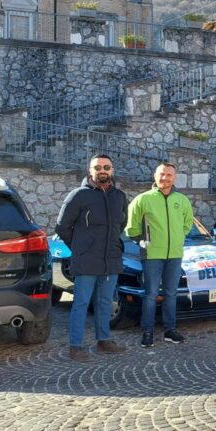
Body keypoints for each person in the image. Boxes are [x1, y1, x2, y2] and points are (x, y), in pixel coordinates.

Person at [56, 154, 128, 361]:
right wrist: (80, 247)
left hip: (111, 259)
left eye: (107, 167)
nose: (102, 170)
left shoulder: (119, 196)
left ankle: (103, 340)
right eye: (98, 167)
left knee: (105, 301)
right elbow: (62, 227)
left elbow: (120, 225)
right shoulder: (78, 195)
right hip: (86, 259)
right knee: (80, 303)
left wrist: (114, 244)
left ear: (112, 170)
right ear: (90, 170)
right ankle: (75, 346)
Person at [125, 162, 194, 347]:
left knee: (171, 294)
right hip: (152, 254)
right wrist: (145, 242)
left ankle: (170, 330)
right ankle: (147, 331)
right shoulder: (142, 200)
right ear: (155, 176)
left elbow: (187, 224)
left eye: (169, 175)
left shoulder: (182, 200)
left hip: (175, 254)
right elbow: (132, 228)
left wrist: (178, 239)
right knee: (151, 294)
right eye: (162, 174)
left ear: (175, 177)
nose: (165, 178)